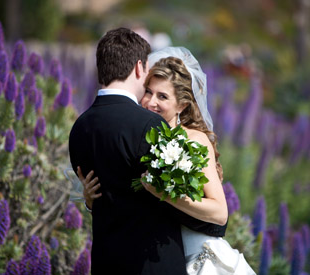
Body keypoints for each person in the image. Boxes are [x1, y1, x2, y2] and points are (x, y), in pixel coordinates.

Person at [78, 46, 256, 274]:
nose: (151, 102)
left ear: (181, 105)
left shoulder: (195, 140)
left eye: (162, 96)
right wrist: (91, 200)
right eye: (148, 92)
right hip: (154, 259)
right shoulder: (142, 140)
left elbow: (220, 213)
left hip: (199, 260)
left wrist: (163, 193)